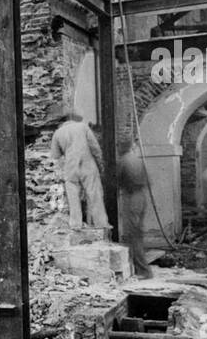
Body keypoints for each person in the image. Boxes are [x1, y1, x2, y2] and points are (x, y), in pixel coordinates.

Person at [50, 111, 109, 231]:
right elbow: (95, 147)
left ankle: (76, 224)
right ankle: (101, 223)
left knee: (73, 195)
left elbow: (55, 155)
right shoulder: (83, 127)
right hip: (87, 164)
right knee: (94, 193)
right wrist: (100, 163)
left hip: (70, 167)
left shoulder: (57, 133)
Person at [117, 140, 152, 278]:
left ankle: (143, 271)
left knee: (132, 235)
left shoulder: (123, 161)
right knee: (137, 233)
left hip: (131, 198)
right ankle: (140, 269)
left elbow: (116, 180)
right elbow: (148, 180)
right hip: (141, 197)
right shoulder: (137, 160)